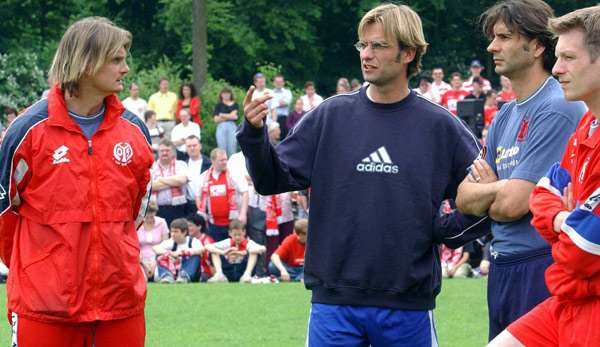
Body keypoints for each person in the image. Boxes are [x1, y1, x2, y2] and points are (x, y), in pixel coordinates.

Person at [238, 4, 489, 346]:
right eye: (363, 45)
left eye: (379, 46)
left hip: (407, 305)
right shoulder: (330, 116)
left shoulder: (440, 126)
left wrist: (444, 230)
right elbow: (270, 180)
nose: (366, 55)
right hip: (334, 302)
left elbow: (491, 197)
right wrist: (253, 134)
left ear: (408, 53)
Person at [0, 17, 153, 346]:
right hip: (45, 310)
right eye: (116, 59)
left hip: (120, 306)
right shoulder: (26, 132)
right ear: (86, 63)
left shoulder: (135, 131)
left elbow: (136, 210)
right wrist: (41, 270)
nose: (125, 68)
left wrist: (117, 256)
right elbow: (4, 217)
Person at [455, 0, 586, 341]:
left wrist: (499, 191)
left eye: (504, 37)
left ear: (537, 46)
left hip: (538, 263)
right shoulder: (505, 115)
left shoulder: (557, 107)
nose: (491, 47)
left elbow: (513, 205)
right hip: (503, 265)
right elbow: (464, 198)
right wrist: (503, 189)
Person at [489, 5, 600, 346]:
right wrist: (567, 218)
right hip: (566, 299)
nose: (557, 69)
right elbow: (542, 195)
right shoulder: (586, 124)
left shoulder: (560, 110)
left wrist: (562, 220)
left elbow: (585, 247)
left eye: (568, 58)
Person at [196, 148, 249, 242]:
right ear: (213, 160)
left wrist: (243, 214)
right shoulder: (204, 177)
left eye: (226, 159)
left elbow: (245, 192)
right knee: (217, 250)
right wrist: (202, 213)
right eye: (221, 160)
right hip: (213, 223)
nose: (225, 162)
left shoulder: (234, 174)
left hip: (233, 222)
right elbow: (198, 196)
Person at [153, 218, 204, 283]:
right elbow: (155, 248)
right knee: (160, 255)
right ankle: (166, 276)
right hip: (173, 270)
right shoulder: (171, 241)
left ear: (184, 232)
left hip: (190, 272)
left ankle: (184, 276)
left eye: (176, 232)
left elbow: (201, 249)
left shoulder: (193, 241)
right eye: (172, 231)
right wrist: (169, 254)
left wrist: (182, 253)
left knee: (195, 256)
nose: (172, 234)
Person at [152, 138, 189, 226]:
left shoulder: (181, 164)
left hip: (178, 208)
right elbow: (151, 186)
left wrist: (160, 179)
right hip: (157, 209)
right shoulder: (152, 167)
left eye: (167, 150)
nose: (164, 153)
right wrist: (173, 181)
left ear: (173, 152)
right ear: (158, 152)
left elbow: (181, 180)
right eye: (162, 151)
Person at [137, 200, 169, 281]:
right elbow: (135, 246)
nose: (149, 220)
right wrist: (144, 264)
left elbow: (165, 245)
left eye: (152, 216)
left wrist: (155, 263)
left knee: (157, 277)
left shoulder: (162, 222)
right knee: (142, 279)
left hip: (159, 257)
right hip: (140, 259)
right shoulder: (137, 223)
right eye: (147, 217)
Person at [185, 134, 211, 214]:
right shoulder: (182, 164)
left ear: (200, 146)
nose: (192, 148)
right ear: (186, 148)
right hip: (188, 206)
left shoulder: (209, 164)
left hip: (206, 204)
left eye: (194, 145)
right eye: (189, 146)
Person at [186, 213, 215, 281]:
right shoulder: (185, 239)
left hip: (204, 272)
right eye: (186, 226)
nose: (188, 228)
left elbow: (211, 260)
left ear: (199, 226)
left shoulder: (207, 240)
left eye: (190, 226)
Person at [213, 87, 239, 157]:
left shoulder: (235, 104)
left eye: (228, 93)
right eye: (224, 93)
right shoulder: (218, 105)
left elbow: (235, 117)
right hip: (221, 127)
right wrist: (229, 116)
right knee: (222, 147)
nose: (226, 95)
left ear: (231, 94)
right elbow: (216, 119)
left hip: (232, 127)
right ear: (221, 95)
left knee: (232, 147)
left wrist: (221, 115)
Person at [269, 74, 292, 139]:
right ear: (273, 83)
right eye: (277, 82)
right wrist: (279, 102)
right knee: (271, 139)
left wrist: (275, 103)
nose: (278, 83)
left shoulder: (287, 92)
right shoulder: (270, 92)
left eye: (280, 82)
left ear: (283, 83)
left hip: (284, 119)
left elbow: (285, 103)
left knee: (284, 139)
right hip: (272, 119)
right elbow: (270, 105)